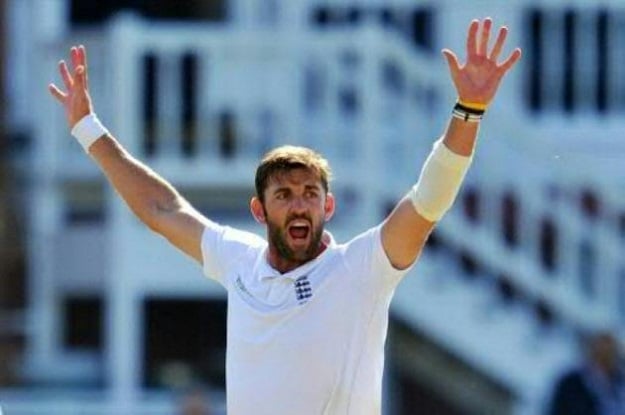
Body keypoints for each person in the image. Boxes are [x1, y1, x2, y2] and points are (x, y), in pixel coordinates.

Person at [49, 18, 521, 415]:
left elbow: (427, 202)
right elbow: (162, 208)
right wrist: (89, 130)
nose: (299, 205)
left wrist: (469, 109)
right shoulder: (238, 262)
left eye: (310, 194)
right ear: (259, 209)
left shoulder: (360, 270)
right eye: (285, 195)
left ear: (327, 207)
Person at [548, 329, 625, 415]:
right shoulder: (571, 385)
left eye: (609, 353)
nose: (604, 358)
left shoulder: (620, 384)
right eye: (600, 353)